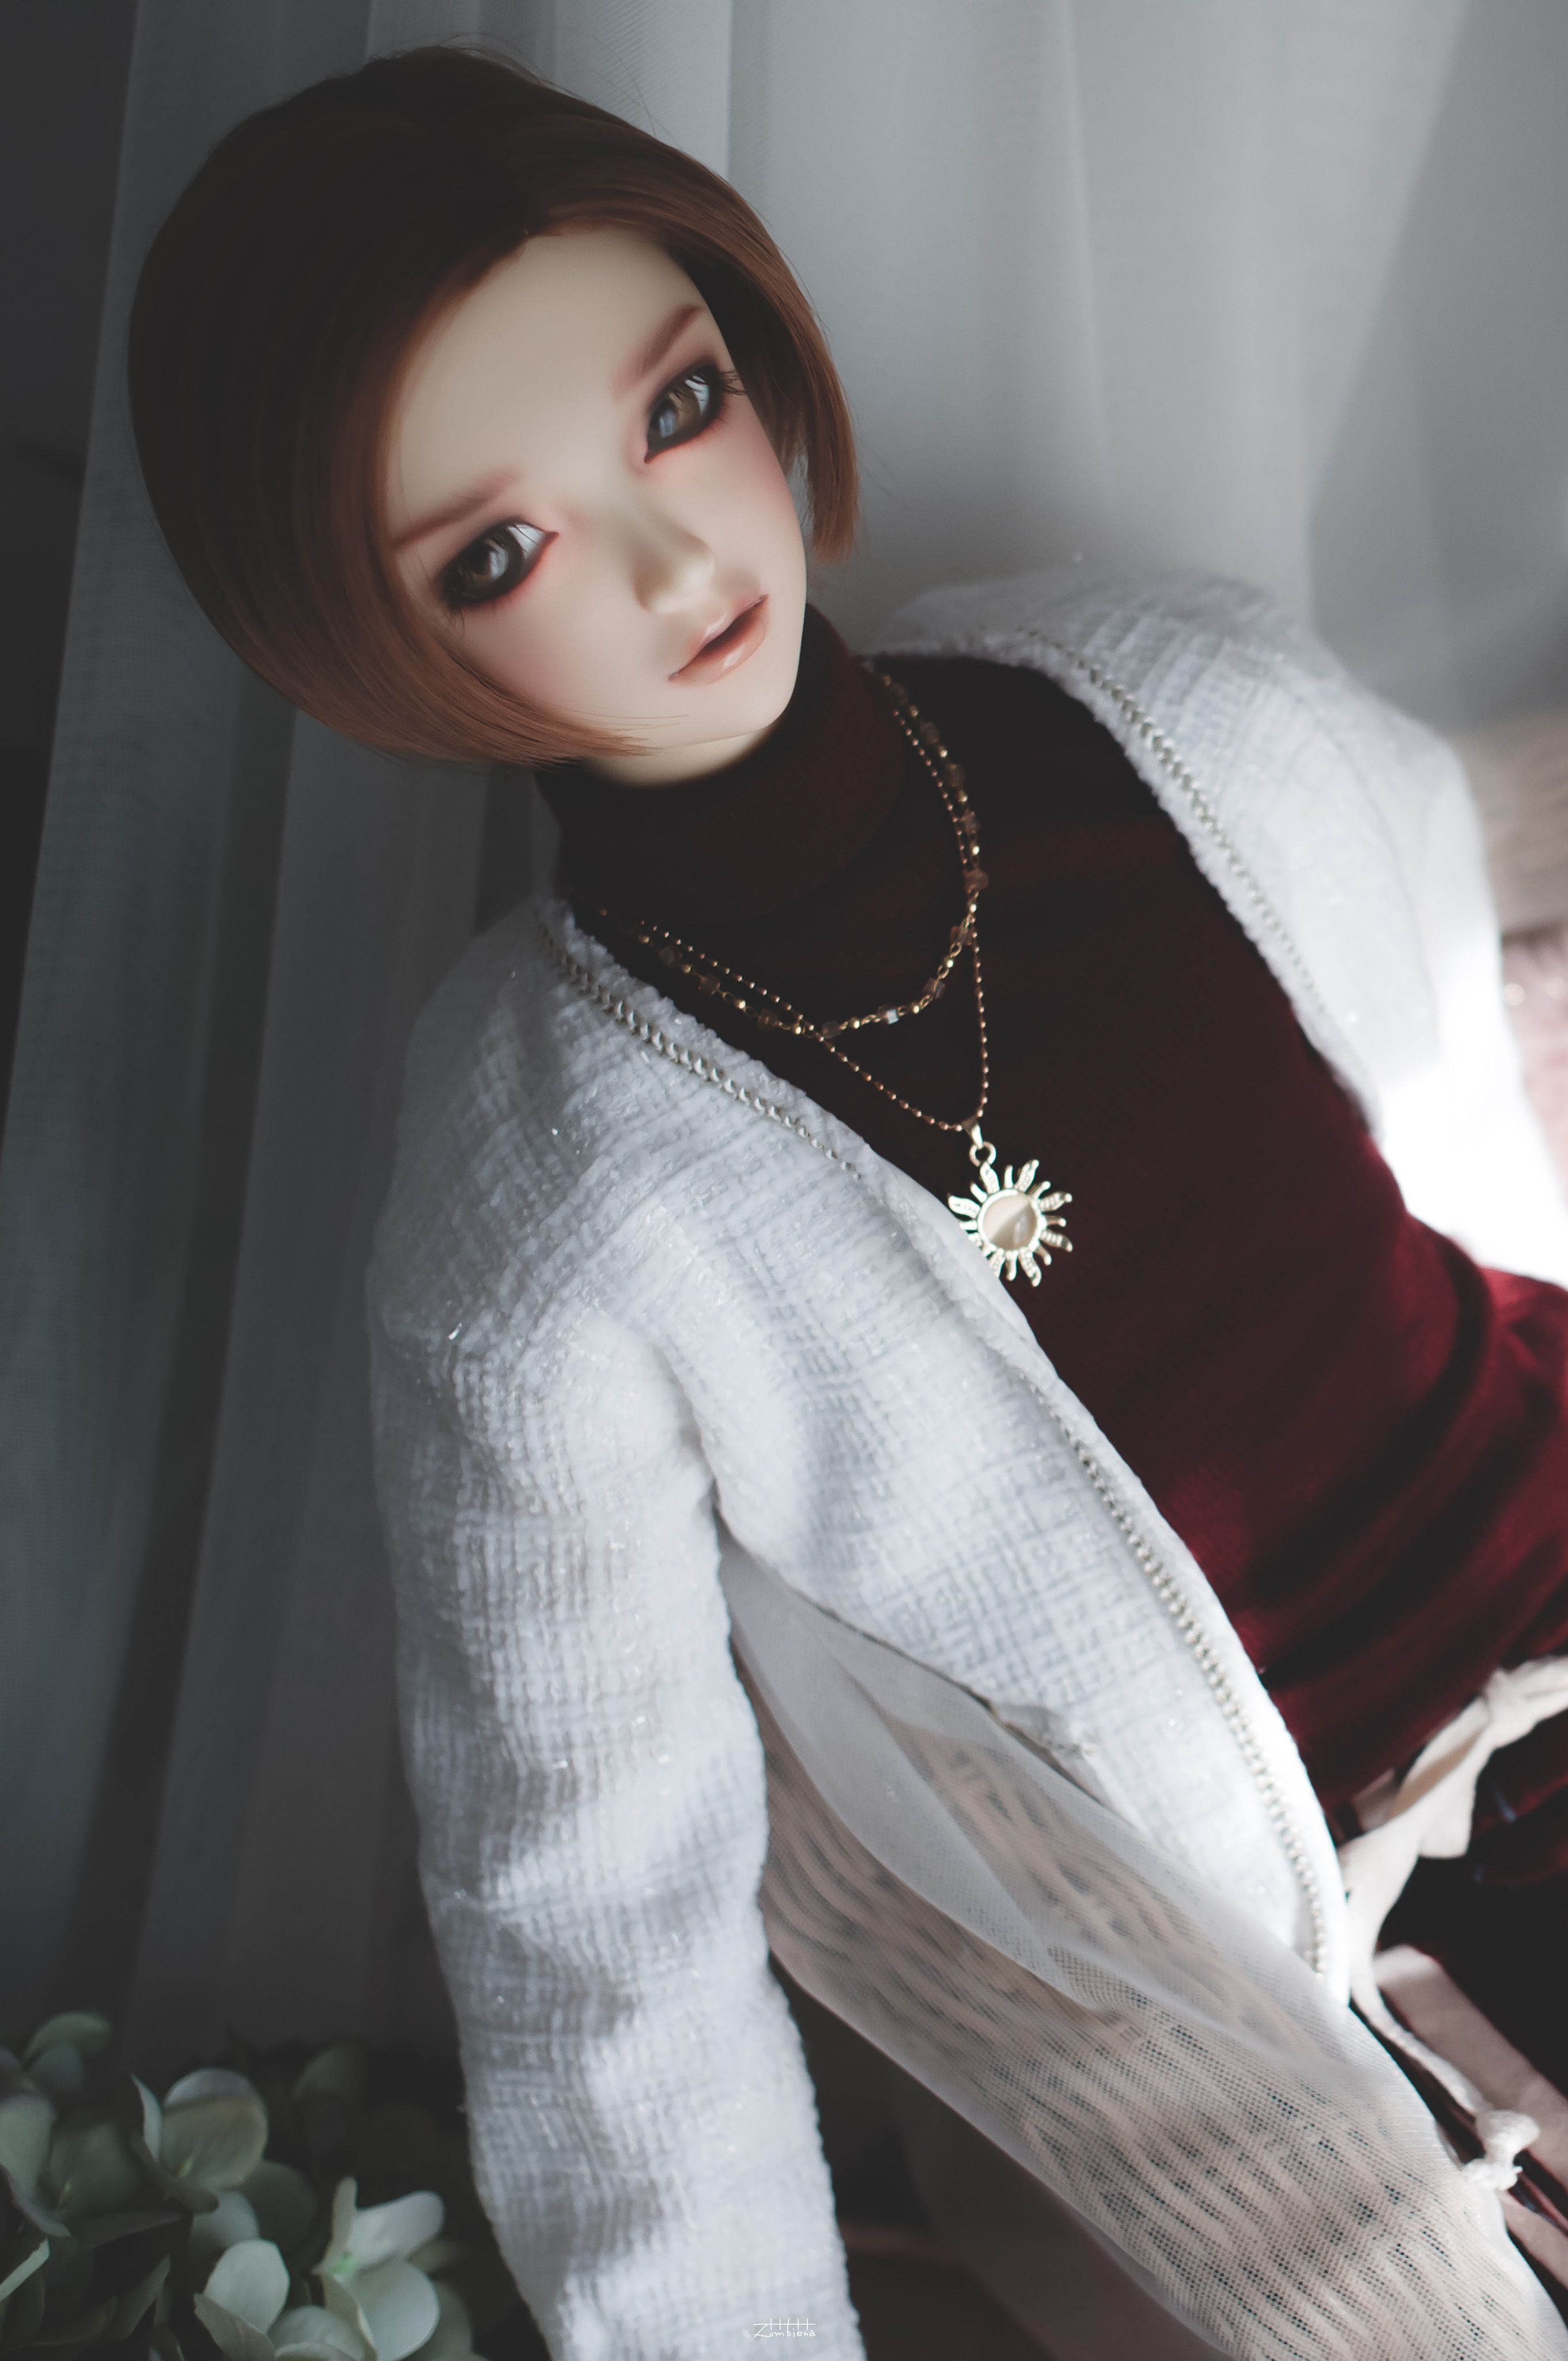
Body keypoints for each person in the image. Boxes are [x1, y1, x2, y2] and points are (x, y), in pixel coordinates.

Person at [126, 44, 1568, 2361]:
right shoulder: (546, 1192)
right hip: (1353, 1919)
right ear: (374, 641)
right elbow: (599, 1915)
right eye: (500, 552)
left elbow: (1455, 1088)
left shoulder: (1154, 688)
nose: (675, 559)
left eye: (676, 405)